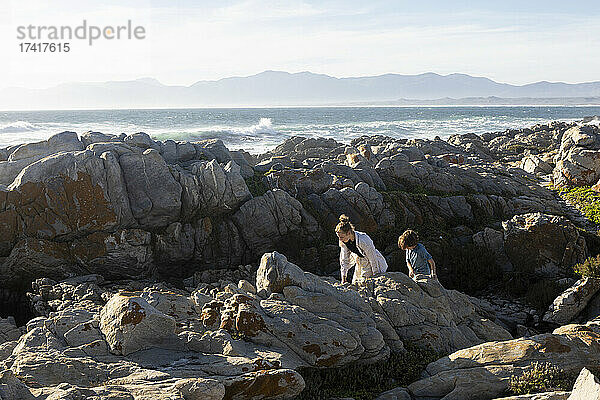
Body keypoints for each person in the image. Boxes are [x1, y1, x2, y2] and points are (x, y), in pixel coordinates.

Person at [336, 214, 388, 285]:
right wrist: (344, 278)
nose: (340, 239)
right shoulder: (344, 241)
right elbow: (344, 260)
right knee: (355, 283)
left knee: (364, 284)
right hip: (360, 262)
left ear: (348, 233)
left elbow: (373, 258)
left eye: (341, 237)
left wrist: (376, 275)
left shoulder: (364, 239)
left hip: (371, 262)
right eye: (338, 237)